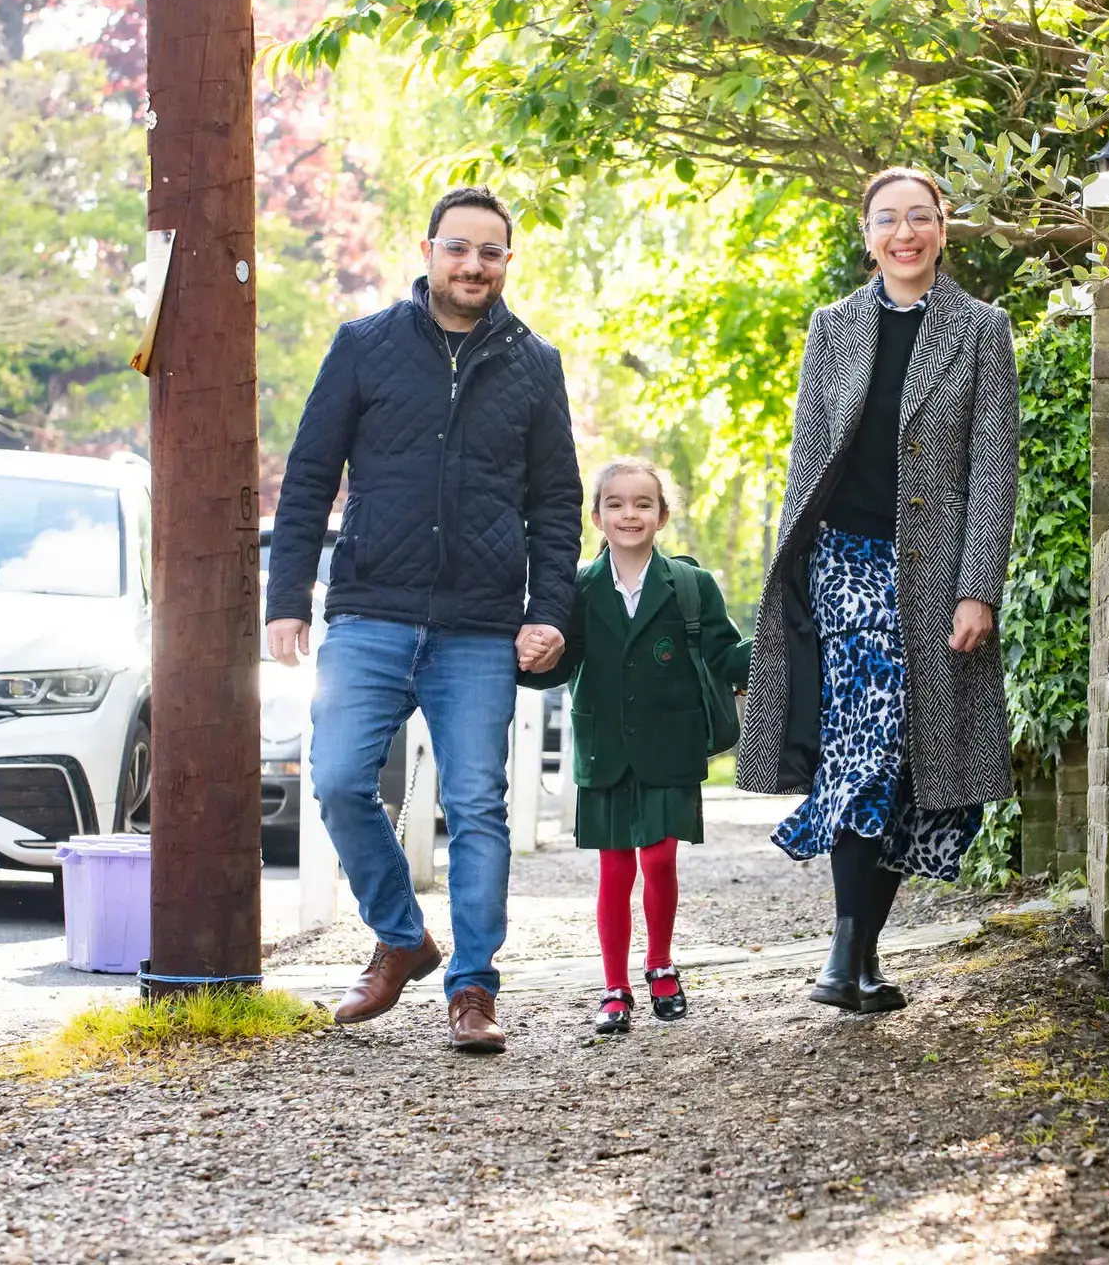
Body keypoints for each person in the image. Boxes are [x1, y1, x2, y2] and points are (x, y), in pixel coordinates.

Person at [265, 185, 582, 1054]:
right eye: (458, 248)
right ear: (429, 251)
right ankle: (402, 937)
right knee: (337, 780)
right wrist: (287, 600)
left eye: (490, 251)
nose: (473, 264)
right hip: (371, 607)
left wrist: (549, 611)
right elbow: (309, 476)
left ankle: (473, 987)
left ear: (507, 262)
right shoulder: (363, 345)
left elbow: (557, 505)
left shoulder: (535, 363)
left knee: (477, 805)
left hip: (479, 625)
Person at [737, 166, 1021, 1014]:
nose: (905, 233)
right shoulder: (833, 327)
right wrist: (790, 572)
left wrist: (978, 588)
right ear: (868, 235)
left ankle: (858, 958)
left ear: (942, 229)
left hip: (936, 574)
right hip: (846, 562)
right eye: (888, 219)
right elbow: (806, 456)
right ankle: (842, 957)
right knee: (867, 739)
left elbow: (993, 469)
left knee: (912, 761)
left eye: (920, 217)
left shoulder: (981, 329)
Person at [521, 458, 751, 1035]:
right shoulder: (577, 588)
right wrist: (523, 657)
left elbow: (726, 656)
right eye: (616, 504)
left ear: (662, 516)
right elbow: (559, 666)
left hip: (672, 745)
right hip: (603, 747)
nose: (630, 514)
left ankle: (661, 965)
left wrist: (779, 642)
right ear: (597, 517)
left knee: (660, 859)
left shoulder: (692, 586)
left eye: (643, 503)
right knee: (616, 868)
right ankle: (614, 986)